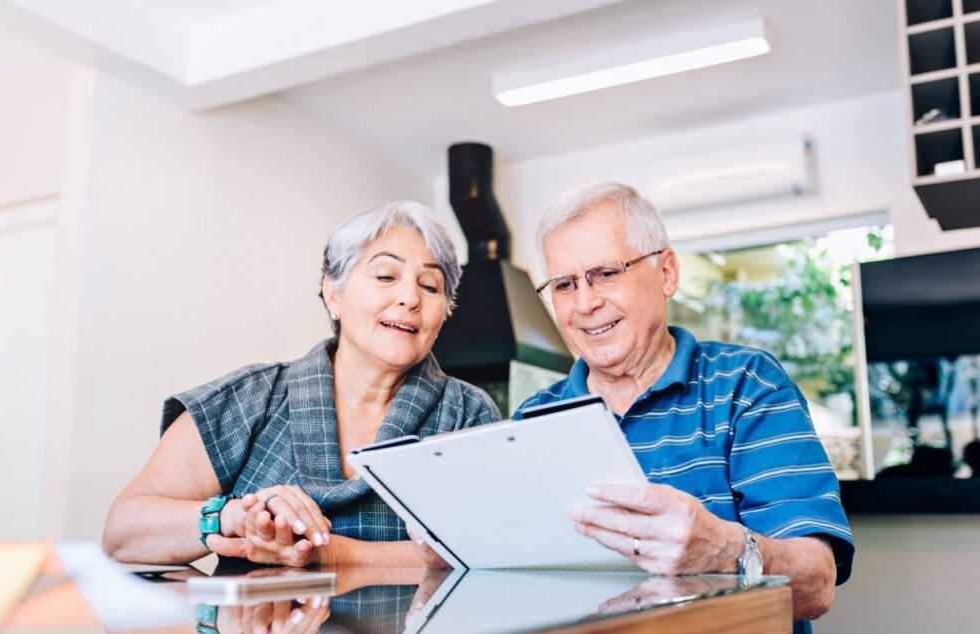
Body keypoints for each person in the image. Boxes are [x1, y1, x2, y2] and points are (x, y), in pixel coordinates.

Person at [515, 183, 854, 633]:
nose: (585, 303)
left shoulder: (748, 384)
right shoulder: (532, 420)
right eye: (564, 284)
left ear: (667, 273)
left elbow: (817, 583)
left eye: (606, 273)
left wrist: (723, 550)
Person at [102, 201, 501, 567]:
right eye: (385, 275)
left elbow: (490, 551)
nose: (410, 297)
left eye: (430, 286)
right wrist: (237, 516)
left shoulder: (468, 414)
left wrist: (328, 553)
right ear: (334, 293)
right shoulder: (252, 398)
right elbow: (123, 532)